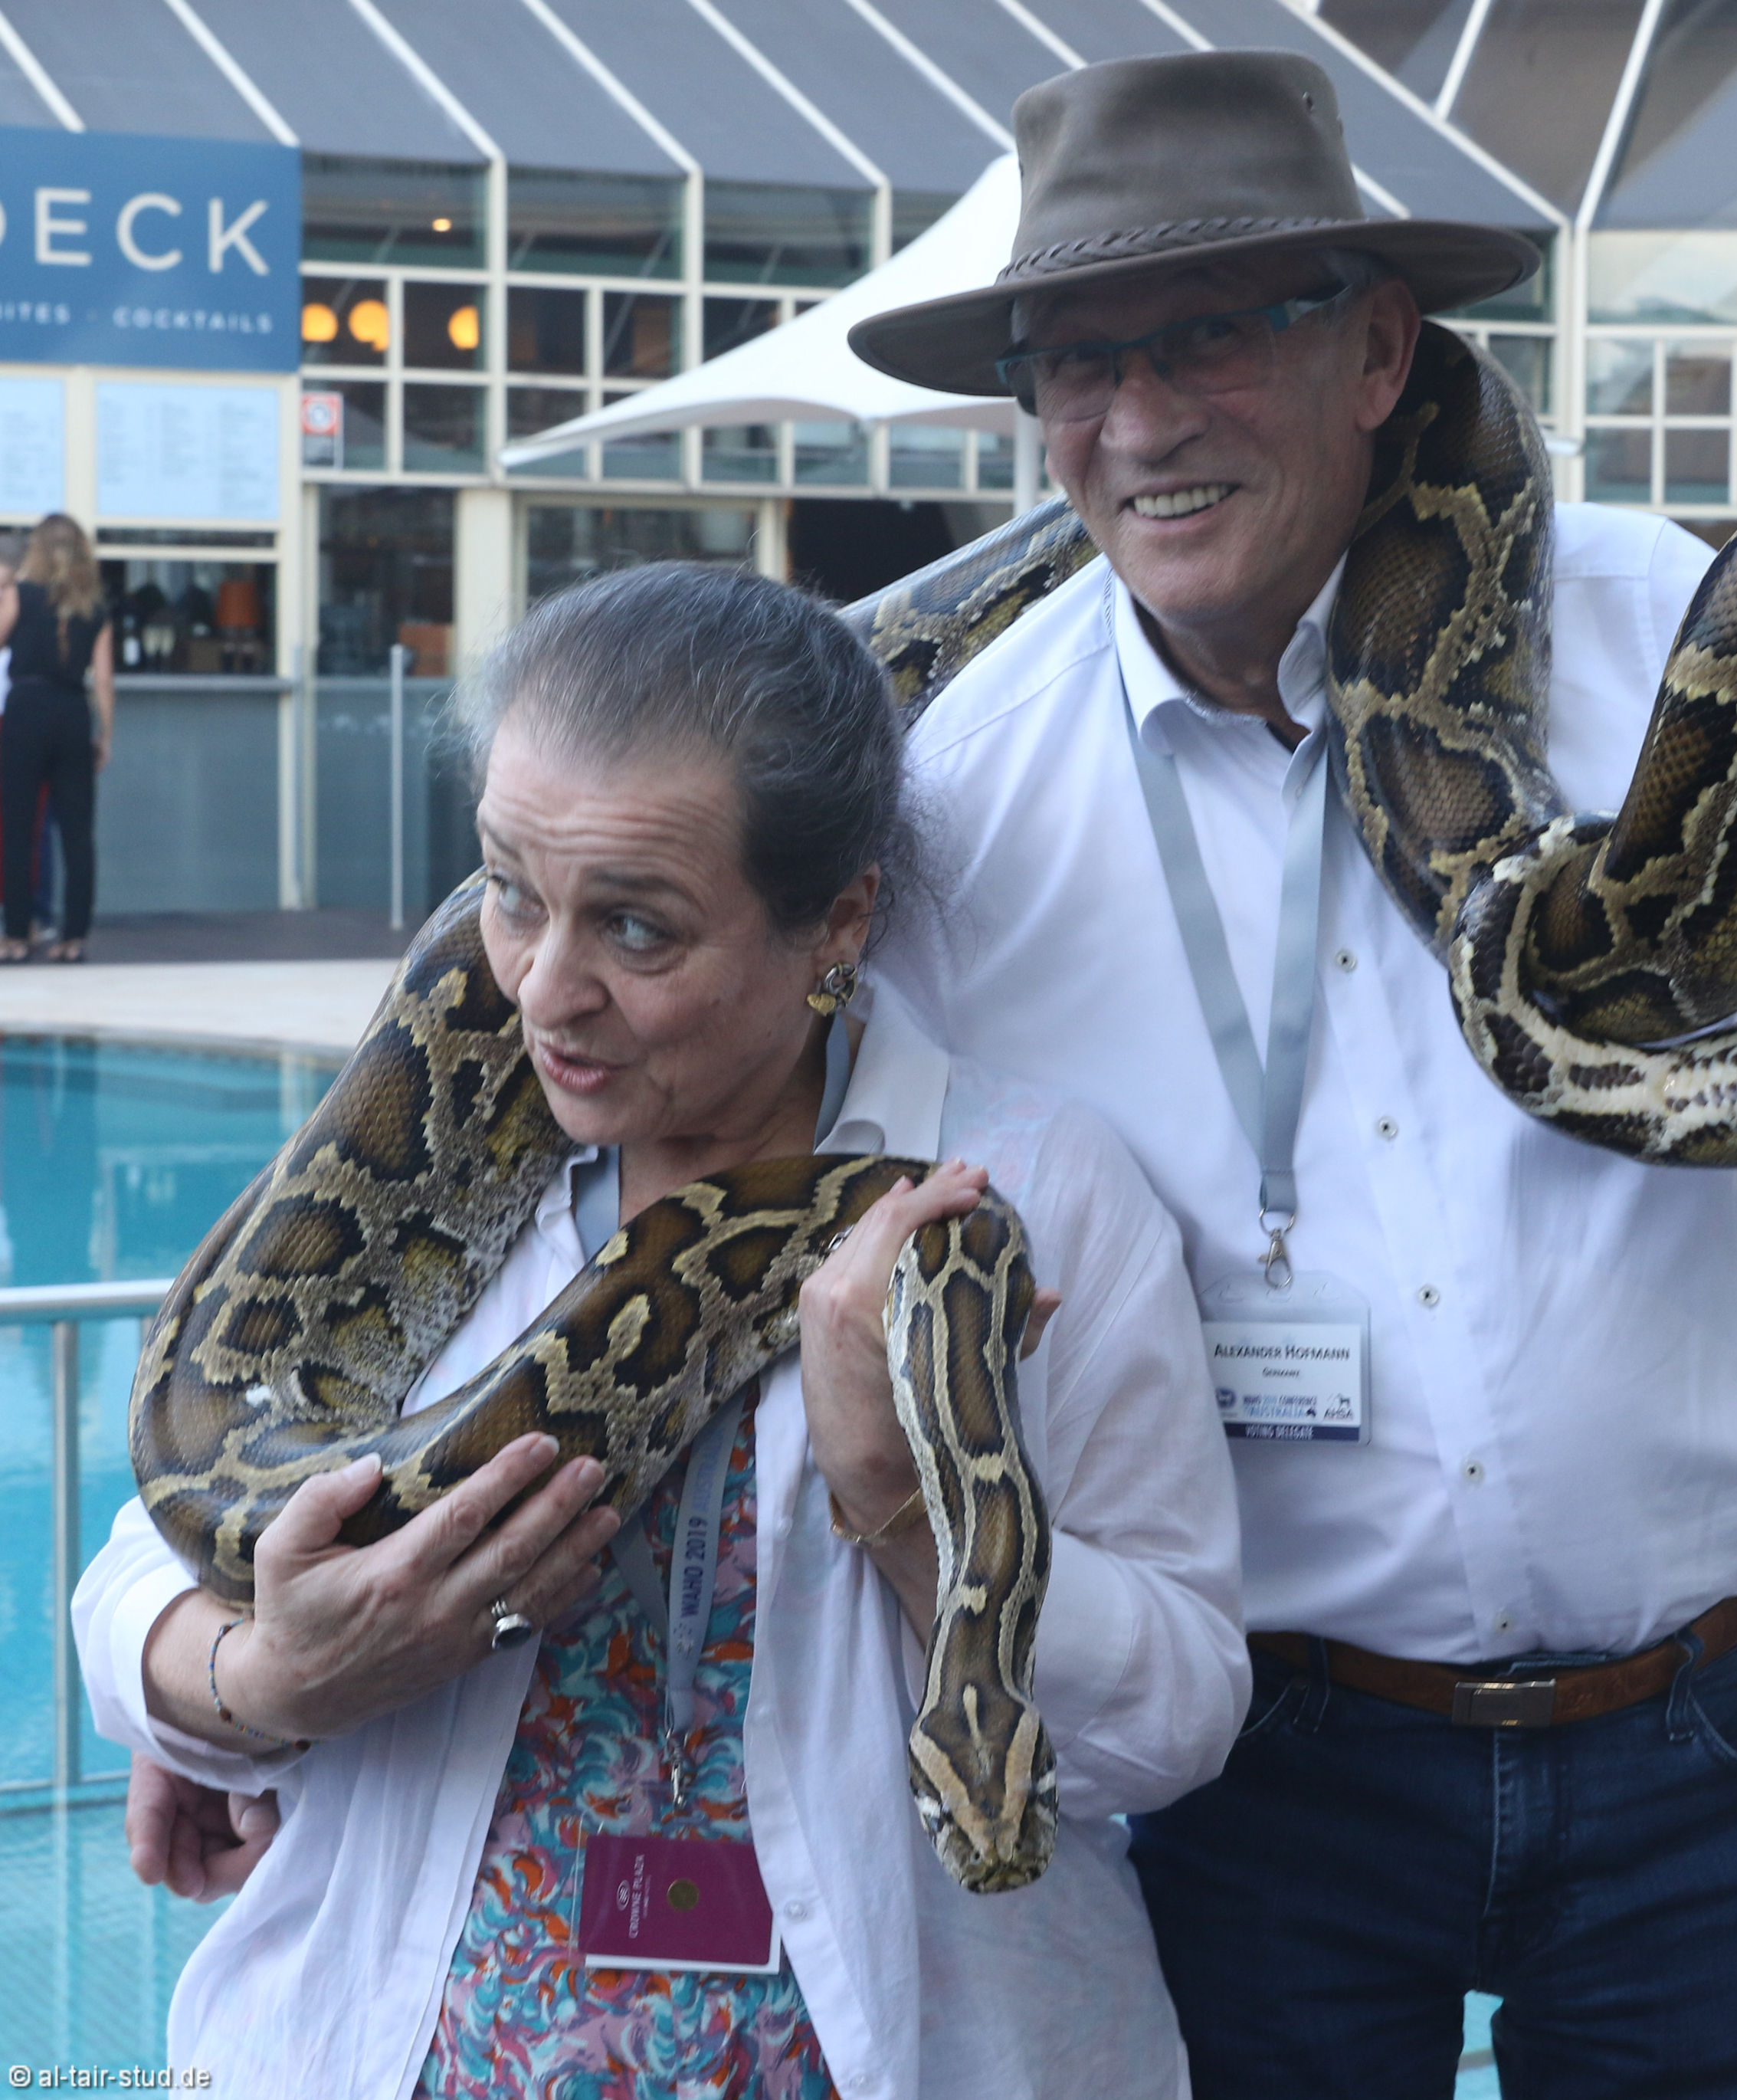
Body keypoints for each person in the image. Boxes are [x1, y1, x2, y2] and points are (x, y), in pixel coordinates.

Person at [844, 51, 1737, 2099]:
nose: (1138, 420)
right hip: (1264, 1770)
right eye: (1075, 361)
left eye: (1204, 336)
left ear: (1378, 352)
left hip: (1700, 1735)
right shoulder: (952, 804)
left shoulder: (1677, 630)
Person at [76, 563, 1247, 2098]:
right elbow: (143, 1567)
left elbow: (1173, 1722)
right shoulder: (427, 1178)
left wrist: (903, 1503)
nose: (545, 993)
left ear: (837, 921)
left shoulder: (1024, 1194)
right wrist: (267, 1684)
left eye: (637, 929)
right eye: (509, 892)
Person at [0, 512, 113, 962]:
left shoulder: (21, 594)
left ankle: (16, 936)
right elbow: (102, 680)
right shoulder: (97, 609)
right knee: (78, 833)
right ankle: (73, 938)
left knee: (18, 827)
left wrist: (7, 588)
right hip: (72, 714)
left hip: (26, 711)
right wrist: (105, 734)